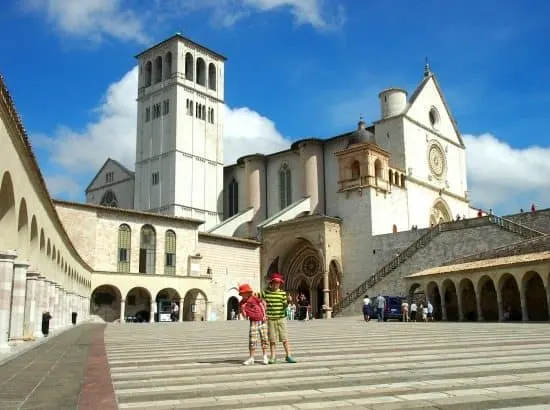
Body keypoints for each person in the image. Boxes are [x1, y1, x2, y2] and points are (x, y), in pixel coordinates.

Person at [261, 273, 296, 364]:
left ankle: (288, 355)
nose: (277, 284)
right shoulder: (265, 293)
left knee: (285, 338)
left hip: (281, 318)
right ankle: (273, 357)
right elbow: (261, 302)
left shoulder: (282, 293)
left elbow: (284, 306)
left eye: (279, 283)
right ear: (271, 283)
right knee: (272, 339)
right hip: (271, 319)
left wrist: (288, 301)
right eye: (275, 282)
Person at [239, 284, 269, 365]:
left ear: (247, 292)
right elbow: (245, 316)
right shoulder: (242, 303)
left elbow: (262, 305)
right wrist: (242, 310)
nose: (242, 295)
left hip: (262, 321)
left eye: (243, 293)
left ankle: (265, 356)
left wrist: (264, 315)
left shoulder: (254, 298)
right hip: (253, 322)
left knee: (264, 339)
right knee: (253, 340)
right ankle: (251, 358)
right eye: (241, 294)